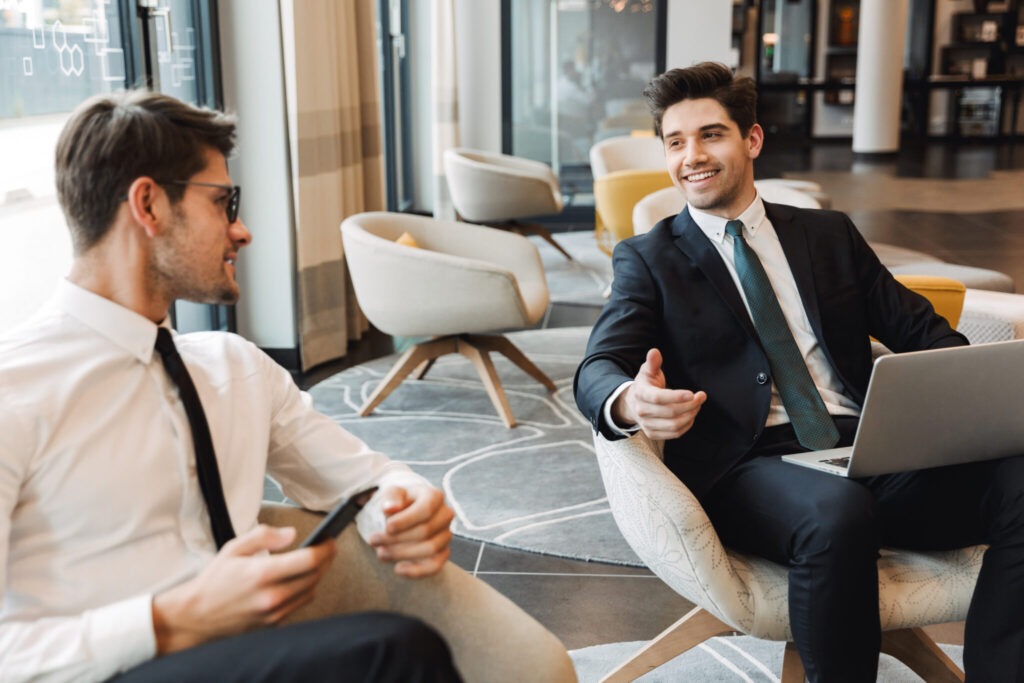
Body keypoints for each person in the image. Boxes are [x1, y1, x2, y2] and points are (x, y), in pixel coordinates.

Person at [0, 90, 576, 683]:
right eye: (224, 203)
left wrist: (403, 505)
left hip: (247, 657)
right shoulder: (13, 391)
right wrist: (167, 620)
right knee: (392, 653)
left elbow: (365, 477)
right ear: (148, 204)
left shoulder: (234, 369)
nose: (242, 231)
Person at [573, 62, 1024, 682]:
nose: (691, 157)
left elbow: (925, 333)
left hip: (868, 455)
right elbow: (598, 365)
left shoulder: (828, 235)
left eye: (711, 135)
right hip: (750, 470)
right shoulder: (649, 259)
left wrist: (972, 391)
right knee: (836, 514)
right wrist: (627, 402)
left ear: (751, 140)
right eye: (675, 142)